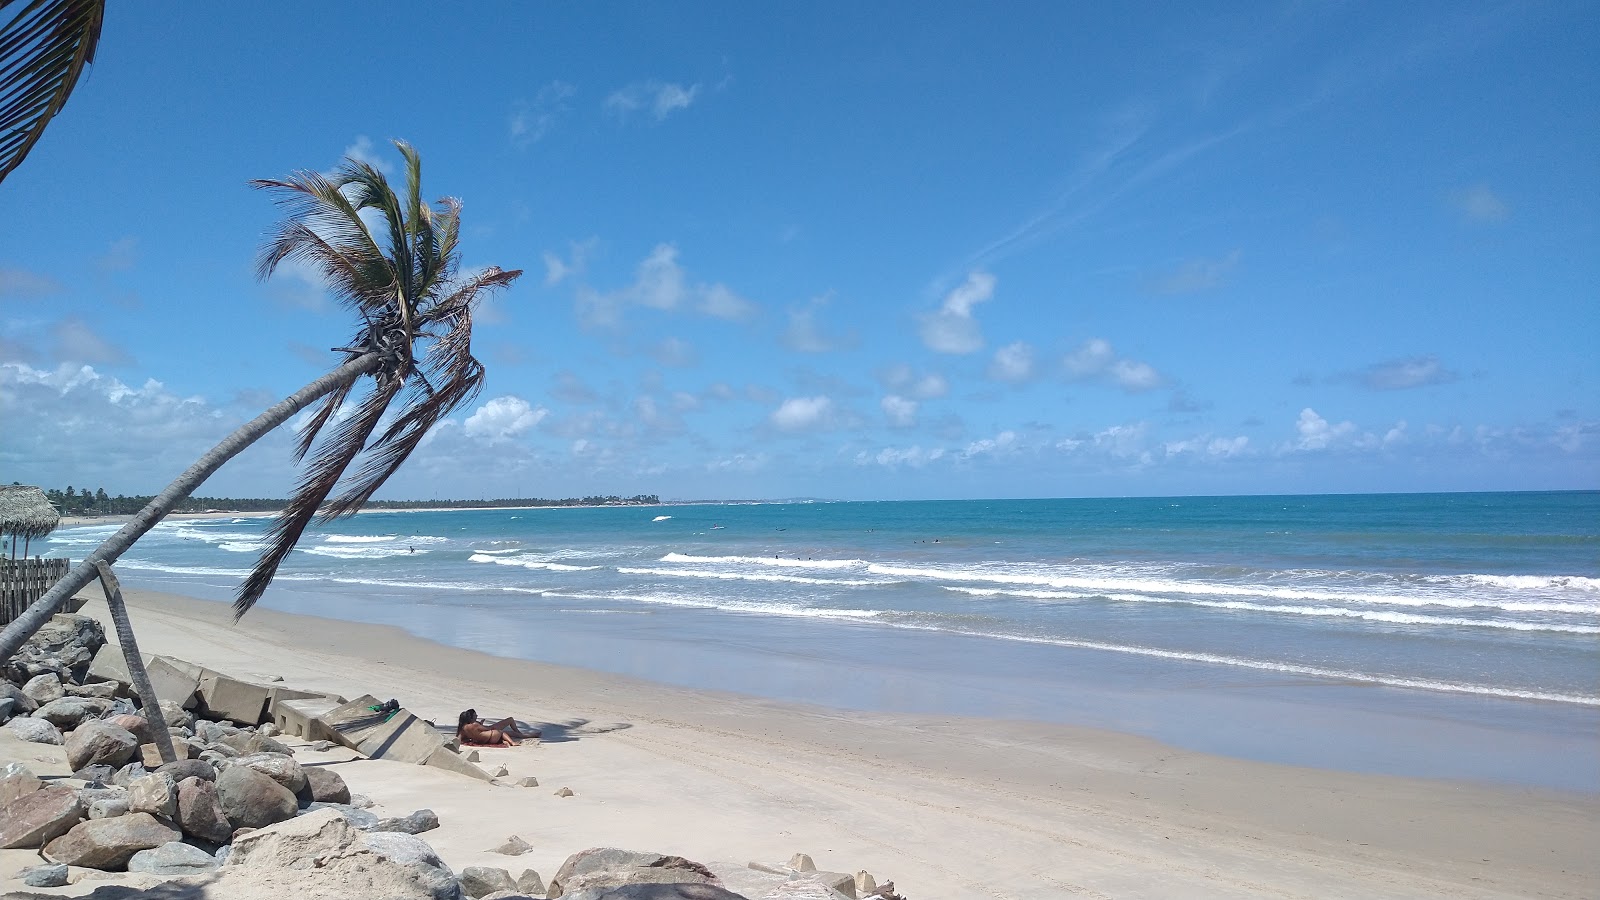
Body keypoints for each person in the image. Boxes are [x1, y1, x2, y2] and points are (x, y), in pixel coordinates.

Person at [457, 708, 535, 746]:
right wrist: (482, 725)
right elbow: (488, 729)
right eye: (475, 715)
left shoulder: (462, 729)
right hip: (491, 736)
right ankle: (516, 739)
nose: (477, 716)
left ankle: (526, 735)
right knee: (507, 725)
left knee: (508, 733)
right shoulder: (474, 725)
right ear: (470, 717)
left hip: (483, 740)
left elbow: (459, 739)